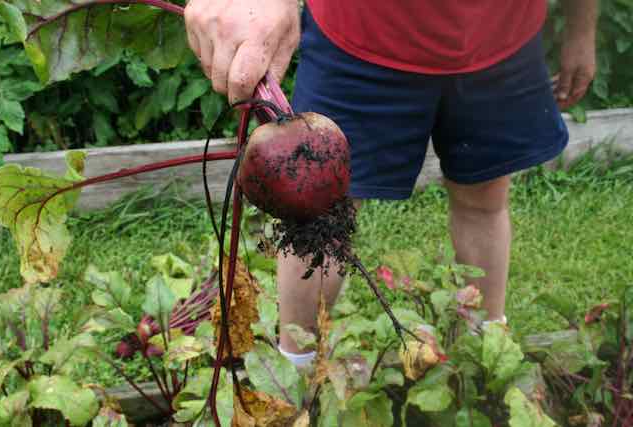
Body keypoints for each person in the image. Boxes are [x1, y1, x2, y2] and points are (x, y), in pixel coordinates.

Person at [184, 0, 598, 366]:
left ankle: (488, 355)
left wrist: (581, 28)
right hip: (360, 36)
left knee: (485, 199)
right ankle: (296, 369)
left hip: (500, 38)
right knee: (317, 214)